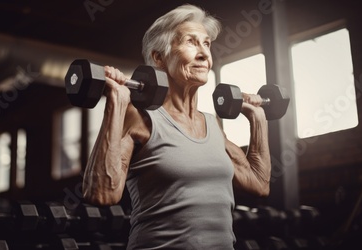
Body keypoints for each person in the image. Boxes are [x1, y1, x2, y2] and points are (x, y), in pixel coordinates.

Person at [82, 4, 271, 249]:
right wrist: (117, 101)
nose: (204, 54)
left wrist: (258, 119)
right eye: (191, 42)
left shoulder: (212, 124)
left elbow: (259, 183)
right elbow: (101, 193)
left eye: (206, 44)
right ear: (158, 57)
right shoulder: (141, 118)